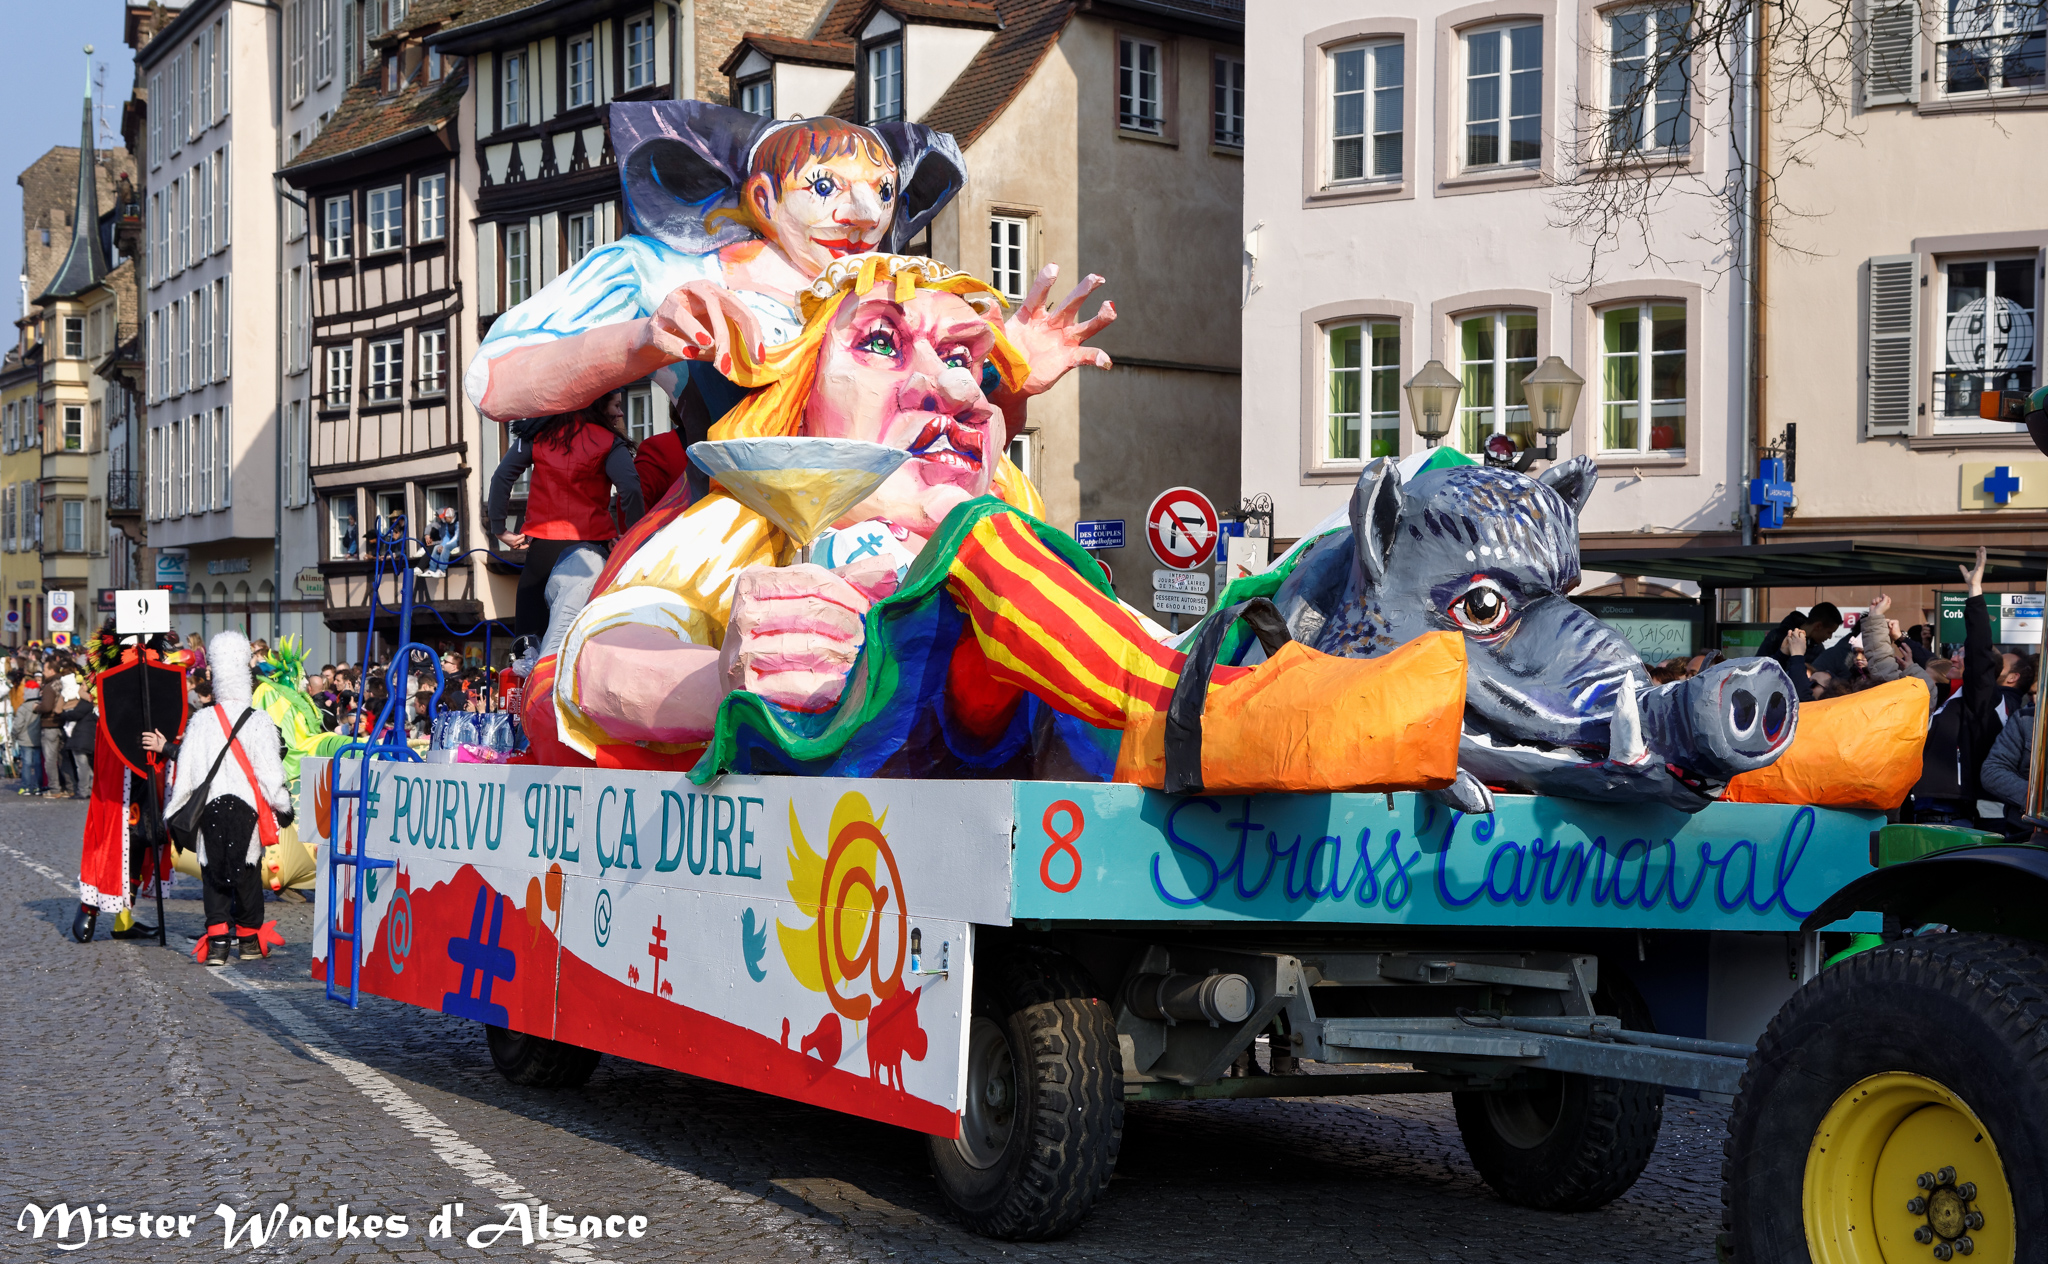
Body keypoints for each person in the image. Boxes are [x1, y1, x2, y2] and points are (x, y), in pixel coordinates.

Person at [164, 630, 292, 966]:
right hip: (247, 810)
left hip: (210, 808)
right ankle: (248, 941)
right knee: (248, 872)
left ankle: (218, 942)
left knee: (213, 872)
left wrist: (176, 810)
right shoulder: (260, 721)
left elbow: (186, 774)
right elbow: (270, 774)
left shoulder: (202, 720)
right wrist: (284, 806)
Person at [486, 390, 645, 660]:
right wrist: (632, 535)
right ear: (598, 405)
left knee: (527, 641)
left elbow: (502, 477)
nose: (620, 413)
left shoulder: (538, 435)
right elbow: (630, 488)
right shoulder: (609, 442)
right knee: (578, 639)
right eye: (617, 405)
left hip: (542, 551)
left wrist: (499, 528)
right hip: (590, 549)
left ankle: (525, 696)